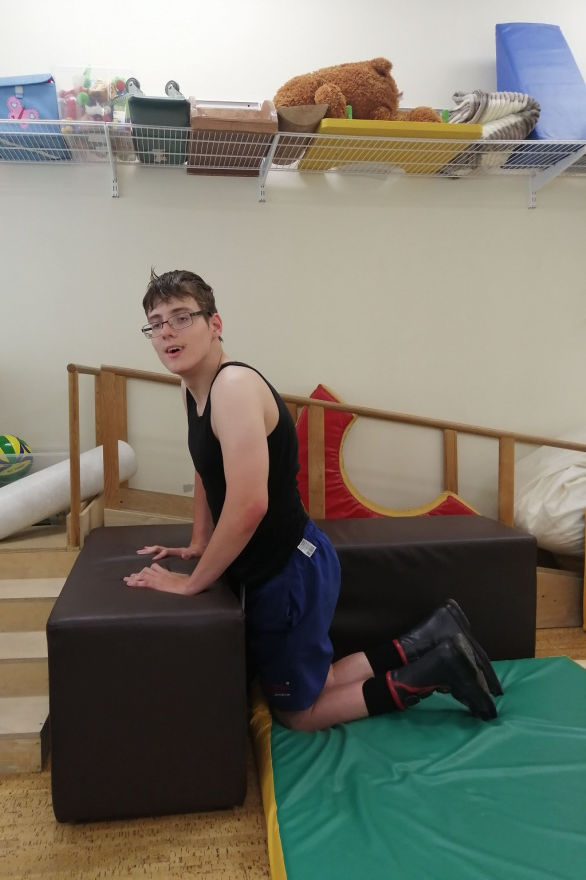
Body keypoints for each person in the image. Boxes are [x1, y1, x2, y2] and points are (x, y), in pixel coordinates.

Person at [124, 269, 502, 731]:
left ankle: (437, 671)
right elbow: (207, 466)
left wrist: (191, 584)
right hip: (279, 567)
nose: (166, 332)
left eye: (181, 317)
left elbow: (250, 505)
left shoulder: (233, 387)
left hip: (289, 572)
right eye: (156, 323)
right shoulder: (192, 386)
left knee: (297, 713)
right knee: (316, 683)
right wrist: (199, 541)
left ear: (215, 323)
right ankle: (434, 635)